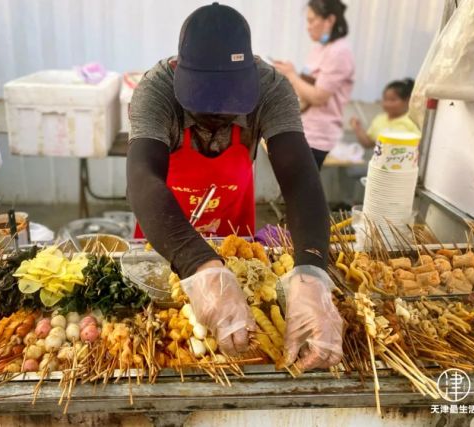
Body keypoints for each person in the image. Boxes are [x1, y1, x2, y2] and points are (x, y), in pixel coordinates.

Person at [126, 3, 343, 371]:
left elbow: (300, 178)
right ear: (180, 72)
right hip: (168, 236)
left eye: (230, 104)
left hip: (235, 236)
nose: (218, 116)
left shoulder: (272, 88)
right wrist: (201, 266)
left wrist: (311, 273)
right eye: (205, 104)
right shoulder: (156, 90)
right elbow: (141, 179)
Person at [273, 0, 355, 169]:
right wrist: (290, 74)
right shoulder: (319, 48)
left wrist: (291, 74)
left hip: (318, 137)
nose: (308, 27)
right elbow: (305, 88)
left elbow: (318, 97)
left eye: (312, 21)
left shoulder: (339, 51)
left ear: (330, 20)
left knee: (301, 191)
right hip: (304, 130)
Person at [350, 78, 420, 148]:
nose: (387, 104)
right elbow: (368, 144)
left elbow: (418, 146)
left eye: (392, 100)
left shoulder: (413, 121)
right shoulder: (379, 119)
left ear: (407, 100)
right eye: (385, 99)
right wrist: (357, 128)